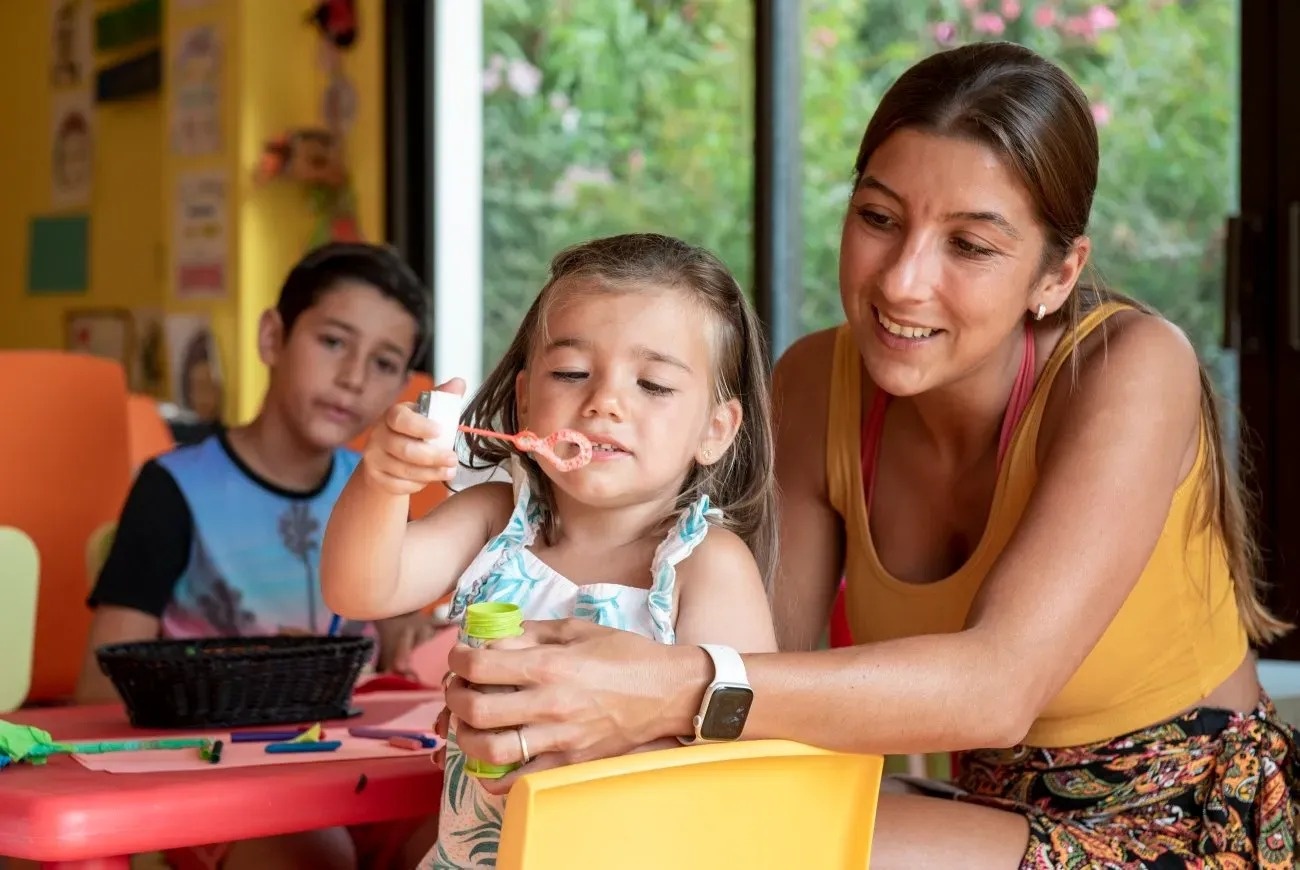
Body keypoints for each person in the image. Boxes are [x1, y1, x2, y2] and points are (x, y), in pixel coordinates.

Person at [437, 43, 1300, 869]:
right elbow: (762, 668)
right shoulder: (816, 382)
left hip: (1185, 822)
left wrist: (662, 690)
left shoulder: (1133, 367)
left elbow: (997, 689)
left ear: (1057, 273)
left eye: (970, 245)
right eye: (879, 218)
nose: (901, 280)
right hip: (988, 813)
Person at [321, 232, 779, 869]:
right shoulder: (495, 520)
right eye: (571, 373)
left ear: (714, 430)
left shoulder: (705, 566)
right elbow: (360, 588)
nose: (605, 403)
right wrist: (382, 482)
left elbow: (748, 765)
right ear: (525, 398)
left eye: (653, 384)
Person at [77, 242, 442, 870]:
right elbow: (99, 687)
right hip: (218, 792)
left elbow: (394, 634)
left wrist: (413, 634)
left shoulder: (378, 489)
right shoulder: (172, 488)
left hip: (360, 777)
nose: (355, 377)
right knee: (313, 858)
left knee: (460, 837)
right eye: (333, 342)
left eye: (384, 363)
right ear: (273, 337)